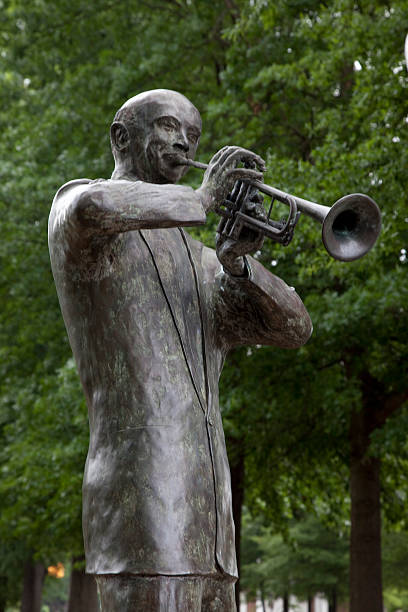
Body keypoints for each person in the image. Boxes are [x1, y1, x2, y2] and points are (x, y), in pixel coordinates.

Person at [48, 89, 312, 611]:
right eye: (169, 127)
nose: (183, 143)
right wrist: (202, 197)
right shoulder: (80, 206)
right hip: (141, 505)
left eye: (192, 136)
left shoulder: (203, 260)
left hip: (212, 524)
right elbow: (96, 205)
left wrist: (238, 264)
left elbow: (294, 328)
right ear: (121, 137)